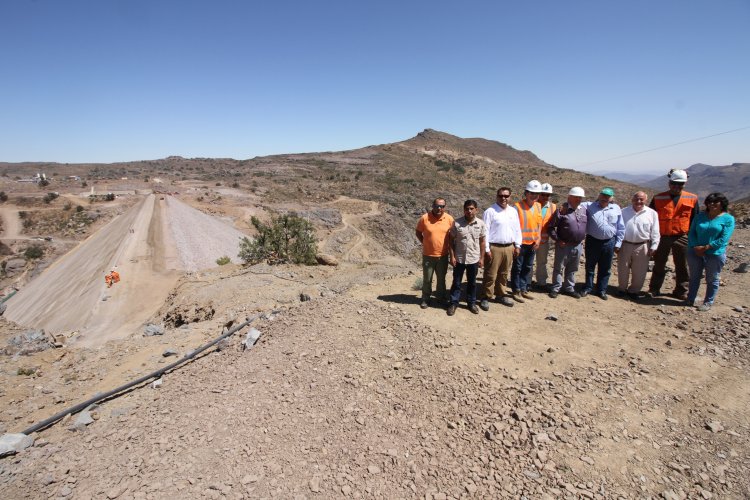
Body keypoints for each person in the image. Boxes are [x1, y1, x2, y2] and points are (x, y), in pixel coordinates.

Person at [648, 169, 699, 300]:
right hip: (662, 236)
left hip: (682, 236)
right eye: (674, 183)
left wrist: (693, 238)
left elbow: (695, 219)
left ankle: (681, 290)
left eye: (680, 184)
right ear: (669, 183)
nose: (676, 186)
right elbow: (650, 218)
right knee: (659, 263)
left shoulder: (692, 198)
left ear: (684, 184)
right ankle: (654, 289)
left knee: (682, 265)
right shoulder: (658, 198)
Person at [686, 192, 735, 311]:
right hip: (695, 251)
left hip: (715, 253)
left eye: (715, 202)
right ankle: (690, 298)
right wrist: (695, 246)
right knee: (694, 276)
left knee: (712, 278)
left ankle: (708, 301)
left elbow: (724, 238)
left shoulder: (728, 219)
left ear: (722, 203)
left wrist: (707, 247)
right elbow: (691, 232)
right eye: (709, 202)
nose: (712, 204)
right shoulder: (700, 216)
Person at [479, 187, 522, 310]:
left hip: (509, 247)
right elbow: (485, 232)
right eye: (501, 196)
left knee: (503, 273)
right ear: (497, 196)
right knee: (490, 274)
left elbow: (517, 229)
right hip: (494, 247)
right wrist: (486, 249)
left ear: (510, 197)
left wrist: (518, 245)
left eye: (506, 196)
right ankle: (486, 296)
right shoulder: (490, 211)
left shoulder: (513, 211)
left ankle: (500, 294)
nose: (504, 198)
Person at [582, 187, 624, 300]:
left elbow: (620, 227)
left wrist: (618, 243)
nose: (605, 198)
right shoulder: (589, 206)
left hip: (609, 242)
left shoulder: (616, 208)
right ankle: (588, 287)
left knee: (605, 268)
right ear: (599, 195)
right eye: (603, 195)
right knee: (590, 266)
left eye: (608, 196)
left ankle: (601, 290)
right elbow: (575, 203)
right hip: (593, 241)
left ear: (611, 198)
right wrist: (565, 206)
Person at [616, 192, 660, 300]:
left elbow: (655, 231)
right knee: (623, 269)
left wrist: (654, 246)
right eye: (636, 199)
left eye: (641, 199)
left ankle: (634, 291)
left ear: (646, 200)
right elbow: (618, 229)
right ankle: (622, 289)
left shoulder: (652, 213)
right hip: (625, 244)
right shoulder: (623, 212)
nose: (638, 201)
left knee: (640, 271)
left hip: (643, 245)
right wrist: (617, 243)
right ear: (632, 199)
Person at [447, 200, 487, 316]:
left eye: (471, 208)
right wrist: (452, 256)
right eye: (467, 209)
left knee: (472, 282)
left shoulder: (481, 224)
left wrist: (482, 258)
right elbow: (451, 241)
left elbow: (482, 242)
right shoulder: (457, 223)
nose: (469, 211)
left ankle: (471, 303)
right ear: (464, 210)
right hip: (459, 258)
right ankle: (453, 303)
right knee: (457, 282)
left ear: (476, 210)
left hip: (473, 258)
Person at [548, 187, 587, 299]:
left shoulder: (583, 210)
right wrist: (558, 240)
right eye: (576, 197)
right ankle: (556, 288)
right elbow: (551, 227)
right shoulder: (561, 211)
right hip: (563, 245)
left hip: (578, 245)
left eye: (580, 197)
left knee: (573, 268)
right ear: (569, 197)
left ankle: (569, 288)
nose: (578, 199)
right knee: (559, 268)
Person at [416, 198, 454, 308]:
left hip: (443, 255)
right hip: (428, 255)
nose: (439, 208)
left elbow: (453, 236)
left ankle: (440, 298)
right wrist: (425, 243)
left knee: (441, 279)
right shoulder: (424, 218)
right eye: (437, 205)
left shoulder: (449, 219)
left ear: (444, 207)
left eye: (442, 206)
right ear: (432, 205)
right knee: (427, 279)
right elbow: (418, 232)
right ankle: (426, 298)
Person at [510, 180, 543, 302]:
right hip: (520, 244)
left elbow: (539, 224)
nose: (534, 196)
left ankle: (523, 289)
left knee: (527, 267)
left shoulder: (538, 206)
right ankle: (516, 290)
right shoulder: (517, 207)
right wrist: (516, 244)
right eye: (532, 193)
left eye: (536, 193)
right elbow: (513, 226)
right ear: (526, 193)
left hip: (533, 243)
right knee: (517, 267)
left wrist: (538, 238)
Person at [534, 183, 557, 291]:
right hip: (531, 240)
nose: (545, 197)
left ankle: (541, 282)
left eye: (548, 195)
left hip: (543, 241)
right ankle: (527, 282)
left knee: (542, 263)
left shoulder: (553, 207)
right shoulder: (533, 205)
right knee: (528, 263)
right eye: (543, 194)